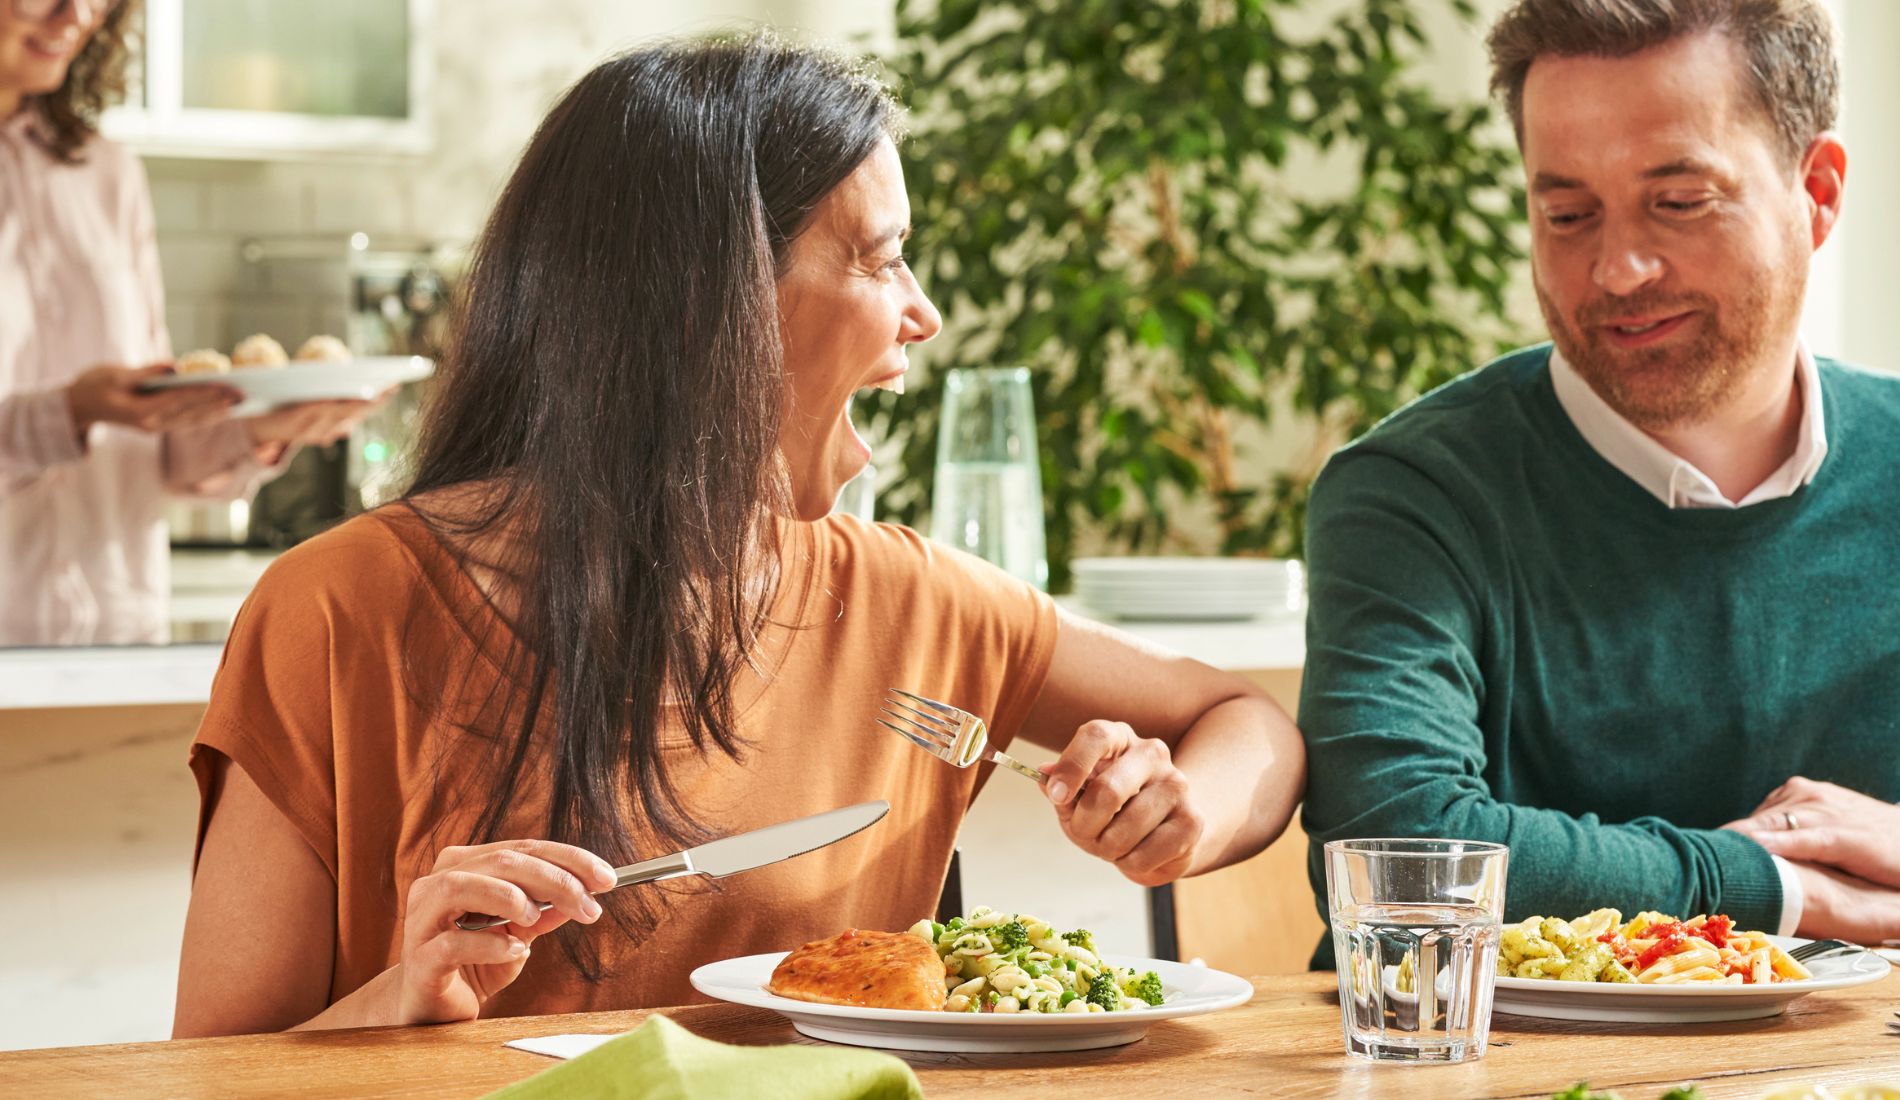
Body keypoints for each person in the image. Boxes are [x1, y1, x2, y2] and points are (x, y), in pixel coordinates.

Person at [171, 36, 1306, 1036]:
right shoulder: (339, 612)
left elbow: (1243, 719)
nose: (924, 312)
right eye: (877, 256)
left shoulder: (918, 609)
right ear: (707, 308)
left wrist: (1182, 813)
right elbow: (203, 1076)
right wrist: (397, 997)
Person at [1297, 0, 1900, 964]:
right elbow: (1399, 860)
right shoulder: (1412, 494)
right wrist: (1769, 885)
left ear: (1818, 191)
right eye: (1566, 214)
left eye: (1679, 200)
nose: (1617, 269)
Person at [0, 0, 378, 645]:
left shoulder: (104, 174)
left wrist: (261, 425)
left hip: (115, 643)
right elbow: (87, 413)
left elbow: (161, 455)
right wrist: (70, 412)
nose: (78, 15)